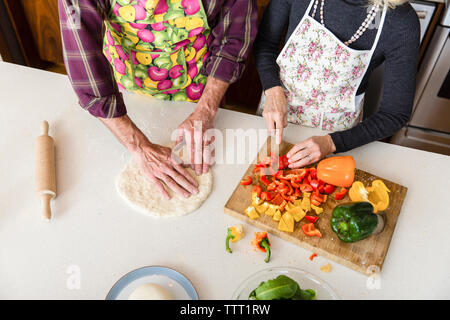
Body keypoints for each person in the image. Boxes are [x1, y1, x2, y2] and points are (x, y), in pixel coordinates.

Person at [58, 0, 257, 199]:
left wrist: (206, 109)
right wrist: (136, 145)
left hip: (198, 91)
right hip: (123, 97)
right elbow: (82, 54)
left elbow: (234, 37)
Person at [254, 0, 419, 168]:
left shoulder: (400, 21)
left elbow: (395, 113)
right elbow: (265, 44)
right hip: (274, 117)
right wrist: (273, 91)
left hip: (338, 137)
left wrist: (331, 143)